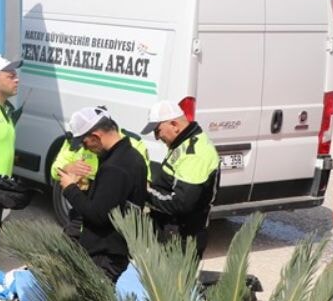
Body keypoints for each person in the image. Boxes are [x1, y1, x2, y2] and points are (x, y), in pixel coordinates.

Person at [57, 106, 149, 282]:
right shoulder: (132, 156)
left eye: (85, 143)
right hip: (114, 249)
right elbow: (113, 199)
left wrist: (70, 189)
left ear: (96, 137)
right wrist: (90, 188)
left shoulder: (115, 167)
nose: (86, 148)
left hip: (104, 255)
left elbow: (98, 214)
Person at [142, 100, 220, 257]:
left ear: (174, 125)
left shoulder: (194, 154)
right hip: (172, 234)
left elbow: (180, 203)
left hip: (182, 240)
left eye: (157, 130)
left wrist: (146, 191)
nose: (157, 137)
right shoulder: (183, 143)